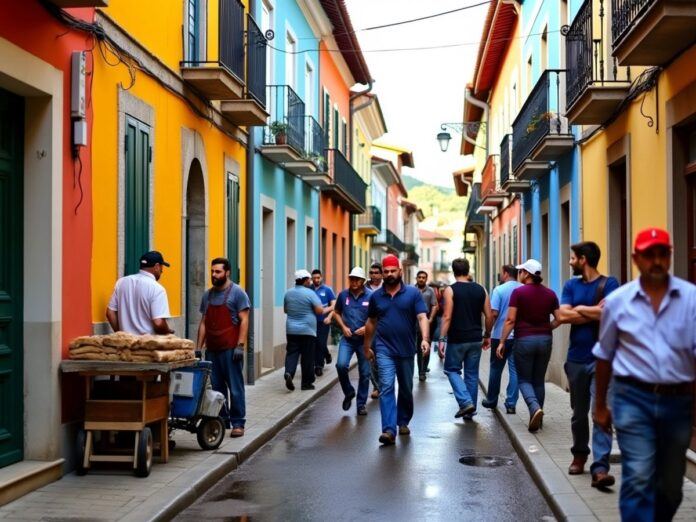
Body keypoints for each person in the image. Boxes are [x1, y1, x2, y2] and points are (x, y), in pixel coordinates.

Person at [593, 228, 696, 521]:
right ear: (636, 258)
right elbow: (604, 354)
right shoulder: (618, 301)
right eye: (649, 254)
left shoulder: (691, 299)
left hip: (677, 401)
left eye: (662, 253)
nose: (656, 261)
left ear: (670, 256)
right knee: (638, 476)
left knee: (671, 486)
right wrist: (600, 405)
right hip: (632, 397)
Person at [556, 242, 619, 487]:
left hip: (603, 359)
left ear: (583, 259)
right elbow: (562, 316)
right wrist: (592, 310)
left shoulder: (610, 283)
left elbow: (611, 314)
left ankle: (601, 468)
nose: (570, 262)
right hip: (576, 359)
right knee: (578, 414)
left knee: (600, 412)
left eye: (573, 258)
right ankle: (579, 455)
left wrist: (579, 310)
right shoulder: (570, 285)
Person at [363, 255, 429, 445]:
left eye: (393, 271)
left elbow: (422, 317)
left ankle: (403, 421)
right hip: (384, 349)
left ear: (400, 271)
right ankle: (389, 430)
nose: (390, 274)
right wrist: (366, 346)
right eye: (386, 271)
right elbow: (371, 322)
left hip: (407, 349)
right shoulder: (376, 297)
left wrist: (425, 339)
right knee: (387, 387)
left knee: (406, 389)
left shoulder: (412, 294)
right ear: (382, 273)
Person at [498, 259, 561, 432]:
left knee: (524, 379)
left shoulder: (518, 293)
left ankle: (534, 408)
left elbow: (510, 320)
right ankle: (538, 419)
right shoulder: (550, 294)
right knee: (538, 380)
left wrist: (502, 341)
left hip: (524, 340)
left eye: (521, 271)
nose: (519, 274)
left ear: (526, 273)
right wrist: (546, 328)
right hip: (545, 340)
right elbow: (560, 318)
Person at [196, 258, 250, 437]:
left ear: (227, 272)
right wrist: (198, 347)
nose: (213, 275)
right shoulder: (208, 295)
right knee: (217, 388)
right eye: (212, 271)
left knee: (235, 388)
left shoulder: (237, 293)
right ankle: (222, 420)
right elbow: (203, 322)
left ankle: (238, 423)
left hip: (230, 349)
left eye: (217, 272)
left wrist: (240, 346)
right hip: (212, 349)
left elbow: (244, 320)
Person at [438, 258, 492, 419]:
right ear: (468, 270)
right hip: (476, 338)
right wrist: (487, 335)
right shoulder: (481, 289)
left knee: (451, 370)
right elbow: (489, 316)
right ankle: (471, 410)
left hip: (457, 339)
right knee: (472, 374)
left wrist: (441, 339)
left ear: (453, 272)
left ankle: (465, 401)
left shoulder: (450, 290)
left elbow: (447, 316)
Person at [481, 265, 522, 414]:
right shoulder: (523, 288)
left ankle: (491, 400)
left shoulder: (499, 290)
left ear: (505, 274)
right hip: (518, 336)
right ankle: (511, 403)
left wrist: (487, 333)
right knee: (515, 370)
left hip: (499, 336)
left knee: (496, 369)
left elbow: (494, 313)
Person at [333, 267, 372, 416]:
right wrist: (343, 327)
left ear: (363, 281)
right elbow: (336, 313)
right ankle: (349, 392)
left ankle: (361, 404)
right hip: (348, 339)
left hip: (364, 341)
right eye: (352, 278)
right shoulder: (343, 295)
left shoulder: (371, 296)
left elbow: (376, 317)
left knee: (365, 373)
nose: (354, 281)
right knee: (341, 365)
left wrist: (366, 327)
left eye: (357, 279)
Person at [106, 251, 173, 335]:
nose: (162, 271)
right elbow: (158, 323)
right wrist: (168, 332)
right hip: (147, 345)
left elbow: (110, 312)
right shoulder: (157, 289)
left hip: (126, 345)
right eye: (161, 267)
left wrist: (121, 334)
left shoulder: (122, 282)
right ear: (156, 267)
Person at [283, 269, 324, 391]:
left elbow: (286, 310)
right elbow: (319, 311)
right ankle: (306, 384)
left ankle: (289, 372)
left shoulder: (288, 293)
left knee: (292, 353)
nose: (310, 282)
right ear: (305, 280)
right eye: (309, 280)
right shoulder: (310, 293)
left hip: (291, 329)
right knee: (307, 357)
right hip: (308, 330)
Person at [414, 270, 439, 382]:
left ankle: (423, 369)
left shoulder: (430, 291)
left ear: (426, 278)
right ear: (416, 278)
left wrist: (431, 318)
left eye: (423, 277)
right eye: (419, 277)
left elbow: (435, 305)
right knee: (418, 348)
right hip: (414, 322)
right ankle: (421, 371)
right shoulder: (412, 290)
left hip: (427, 322)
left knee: (426, 345)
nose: (421, 279)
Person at [311, 269, 336, 376]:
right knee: (315, 343)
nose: (316, 280)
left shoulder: (327, 290)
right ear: (311, 278)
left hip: (324, 321)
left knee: (321, 342)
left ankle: (319, 366)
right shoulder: (308, 289)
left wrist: (327, 314)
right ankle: (327, 355)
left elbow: (334, 305)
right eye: (314, 278)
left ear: (321, 277)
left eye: (318, 277)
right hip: (311, 322)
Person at [366, 262, 383, 398]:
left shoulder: (386, 287)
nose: (374, 275)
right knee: (371, 358)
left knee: (381, 358)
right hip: (368, 327)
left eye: (376, 273)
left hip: (384, 327)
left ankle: (382, 385)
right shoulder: (364, 287)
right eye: (371, 273)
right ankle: (376, 387)